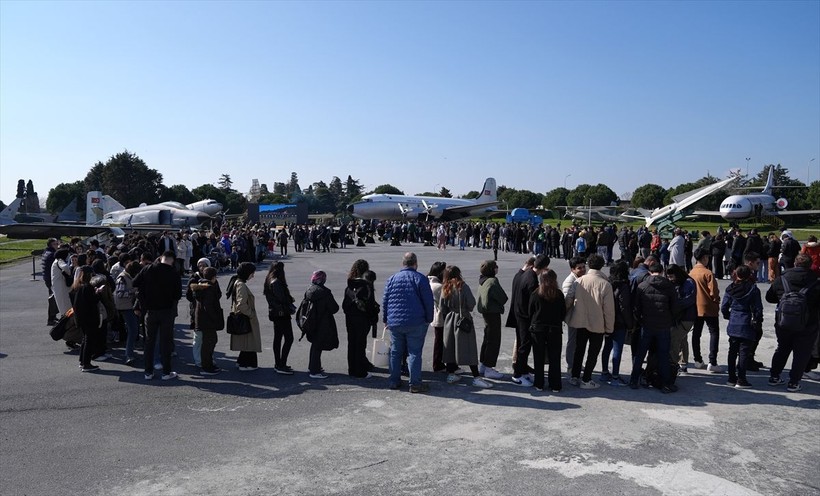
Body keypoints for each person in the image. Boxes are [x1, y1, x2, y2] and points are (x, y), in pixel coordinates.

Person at [766, 253, 820, 392]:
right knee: (802, 353)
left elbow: (769, 298)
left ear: (795, 264)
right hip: (807, 324)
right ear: (810, 266)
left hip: (784, 322)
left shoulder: (782, 279)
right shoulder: (815, 282)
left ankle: (774, 376)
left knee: (782, 349)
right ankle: (794, 382)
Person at [382, 252, 434, 393]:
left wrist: (385, 319)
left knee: (395, 352)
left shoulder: (392, 279)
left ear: (403, 263)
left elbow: (385, 300)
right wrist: (429, 318)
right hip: (415, 321)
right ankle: (415, 383)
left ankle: (394, 380)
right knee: (414, 353)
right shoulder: (420, 279)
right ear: (415, 263)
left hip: (395, 322)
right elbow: (428, 302)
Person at [566, 254, 614, 389]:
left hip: (580, 321)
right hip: (597, 324)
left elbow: (569, 299)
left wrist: (566, 316)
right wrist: (609, 328)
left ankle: (574, 376)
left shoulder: (579, 281)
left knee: (579, 350)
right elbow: (609, 310)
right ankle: (586, 379)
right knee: (593, 353)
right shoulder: (605, 284)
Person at [439, 266, 492, 388]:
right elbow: (471, 303)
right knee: (469, 347)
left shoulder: (445, 287)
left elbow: (442, 307)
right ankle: (476, 377)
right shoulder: (462, 286)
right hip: (463, 318)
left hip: (450, 319)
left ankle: (451, 373)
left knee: (450, 346)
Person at [629, 263, 679, 393]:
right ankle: (666, 383)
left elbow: (636, 308)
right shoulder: (669, 287)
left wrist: (641, 320)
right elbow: (675, 308)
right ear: (662, 272)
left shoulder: (642, 286)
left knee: (640, 354)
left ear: (650, 272)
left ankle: (634, 380)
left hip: (647, 325)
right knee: (663, 355)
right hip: (664, 326)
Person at [134, 250, 182, 380]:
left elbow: (135, 283)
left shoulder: (148, 269)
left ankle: (148, 372)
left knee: (149, 342)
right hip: (166, 311)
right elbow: (178, 295)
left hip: (150, 311)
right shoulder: (173, 273)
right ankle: (166, 372)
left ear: (161, 257)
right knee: (165, 342)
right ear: (172, 260)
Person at [511, 254, 551, 387]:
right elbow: (533, 303)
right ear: (545, 267)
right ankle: (517, 374)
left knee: (523, 344)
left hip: (518, 315)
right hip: (525, 317)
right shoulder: (532, 280)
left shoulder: (526, 273)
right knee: (524, 346)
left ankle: (522, 370)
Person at [721, 265, 763, 389]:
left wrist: (728, 316)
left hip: (734, 321)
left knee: (732, 351)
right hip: (746, 322)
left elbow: (723, 307)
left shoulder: (730, 288)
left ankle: (731, 377)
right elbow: (758, 309)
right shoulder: (753, 289)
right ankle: (741, 379)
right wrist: (758, 321)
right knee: (744, 352)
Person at [528, 269, 565, 392]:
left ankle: (539, 383)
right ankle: (555, 384)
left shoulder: (535, 294)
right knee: (555, 358)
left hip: (538, 329)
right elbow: (563, 313)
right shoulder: (559, 294)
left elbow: (530, 312)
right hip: (554, 329)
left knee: (538, 357)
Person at [343, 260, 380, 379]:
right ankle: (360, 371)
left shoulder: (350, 284)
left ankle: (352, 369)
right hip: (362, 318)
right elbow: (369, 304)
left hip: (350, 318)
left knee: (352, 343)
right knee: (360, 344)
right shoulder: (366, 285)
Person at [689, 248, 724, 373]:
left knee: (696, 333)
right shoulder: (708, 273)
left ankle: (697, 359)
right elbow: (713, 291)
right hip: (709, 306)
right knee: (714, 333)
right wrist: (716, 299)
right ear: (704, 258)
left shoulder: (691, 272)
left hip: (695, 306)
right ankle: (712, 361)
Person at [600, 260, 634, 386]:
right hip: (619, 321)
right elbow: (624, 306)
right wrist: (629, 324)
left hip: (607, 320)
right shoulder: (624, 286)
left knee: (607, 347)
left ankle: (604, 372)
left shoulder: (608, 283)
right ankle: (615, 376)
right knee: (617, 348)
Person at [301, 270, 340, 378]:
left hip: (310, 321)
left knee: (314, 345)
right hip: (323, 322)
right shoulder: (325, 292)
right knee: (318, 346)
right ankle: (315, 371)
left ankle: (313, 367)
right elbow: (334, 308)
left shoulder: (309, 290)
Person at [227, 262, 262, 371]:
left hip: (241, 316)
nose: (253, 275)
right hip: (245, 317)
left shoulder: (237, 282)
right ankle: (247, 364)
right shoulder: (241, 285)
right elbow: (241, 304)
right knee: (249, 342)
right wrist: (251, 314)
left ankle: (242, 361)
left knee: (247, 342)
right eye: (252, 273)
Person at [477, 260, 508, 380]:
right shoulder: (493, 281)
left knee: (487, 338)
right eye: (495, 267)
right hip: (493, 313)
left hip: (485, 313)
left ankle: (483, 365)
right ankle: (489, 367)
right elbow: (503, 297)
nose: (497, 268)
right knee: (494, 340)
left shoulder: (482, 280)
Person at [190, 267, 224, 374]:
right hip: (208, 320)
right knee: (209, 342)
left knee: (207, 342)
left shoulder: (201, 286)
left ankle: (207, 364)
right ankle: (207, 366)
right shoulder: (209, 289)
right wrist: (215, 318)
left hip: (201, 319)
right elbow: (208, 306)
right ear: (214, 277)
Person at [263, 261, 296, 375]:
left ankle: (279, 363)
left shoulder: (269, 280)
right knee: (288, 338)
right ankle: (281, 364)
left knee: (278, 338)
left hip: (275, 313)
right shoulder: (276, 282)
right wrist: (290, 303)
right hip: (281, 313)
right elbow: (281, 299)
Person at [72, 266, 104, 372]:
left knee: (85, 339)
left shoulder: (79, 286)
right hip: (89, 318)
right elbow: (93, 300)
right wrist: (98, 292)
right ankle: (86, 363)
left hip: (82, 317)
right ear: (89, 275)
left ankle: (83, 361)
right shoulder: (87, 287)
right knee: (89, 340)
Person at [666, 264, 696, 375]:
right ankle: (682, 364)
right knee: (682, 339)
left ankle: (674, 365)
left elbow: (689, 300)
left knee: (675, 340)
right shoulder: (678, 282)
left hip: (686, 317)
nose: (670, 279)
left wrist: (675, 305)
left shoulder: (688, 283)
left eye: (671, 277)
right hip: (679, 317)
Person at [186, 258, 212, 367]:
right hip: (196, 310)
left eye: (204, 265)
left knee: (208, 338)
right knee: (198, 337)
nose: (202, 267)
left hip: (208, 311)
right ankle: (198, 360)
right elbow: (188, 295)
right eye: (200, 265)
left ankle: (207, 358)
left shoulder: (210, 277)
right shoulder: (194, 278)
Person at [114, 261, 142, 366]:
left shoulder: (126, 276)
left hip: (129, 306)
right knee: (133, 330)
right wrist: (133, 291)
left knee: (133, 330)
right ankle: (128, 355)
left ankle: (130, 352)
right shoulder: (122, 278)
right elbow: (120, 294)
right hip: (125, 307)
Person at [562, 256, 586, 374]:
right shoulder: (569, 281)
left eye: (583, 267)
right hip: (573, 316)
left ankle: (577, 363)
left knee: (579, 341)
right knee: (572, 341)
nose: (582, 270)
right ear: (572, 269)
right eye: (579, 268)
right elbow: (567, 301)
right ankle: (570, 365)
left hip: (582, 316)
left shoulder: (583, 278)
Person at [428, 261, 447, 373]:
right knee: (439, 341)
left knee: (438, 340)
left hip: (435, 316)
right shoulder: (439, 286)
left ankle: (438, 362)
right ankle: (438, 363)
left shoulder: (430, 283)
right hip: (440, 317)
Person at [43, 238, 60, 325]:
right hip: (51, 279)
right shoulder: (52, 255)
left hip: (47, 278)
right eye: (55, 244)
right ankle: (51, 318)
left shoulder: (46, 252)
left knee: (52, 299)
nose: (57, 246)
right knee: (53, 299)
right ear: (51, 245)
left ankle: (53, 317)